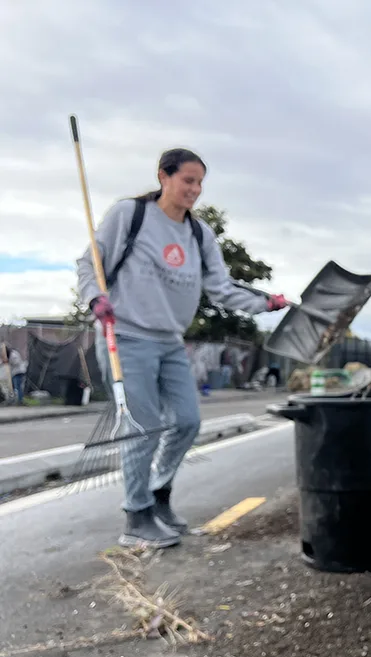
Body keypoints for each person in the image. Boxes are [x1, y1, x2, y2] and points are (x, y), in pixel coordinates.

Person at [76, 147, 288, 550]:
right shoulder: (130, 215)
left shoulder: (199, 233)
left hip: (171, 341)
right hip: (125, 336)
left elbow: (222, 288)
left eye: (199, 182)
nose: (195, 189)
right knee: (144, 427)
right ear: (164, 176)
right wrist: (93, 299)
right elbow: (90, 265)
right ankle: (136, 517)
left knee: (188, 421)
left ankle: (158, 496)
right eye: (188, 180)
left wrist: (266, 303)